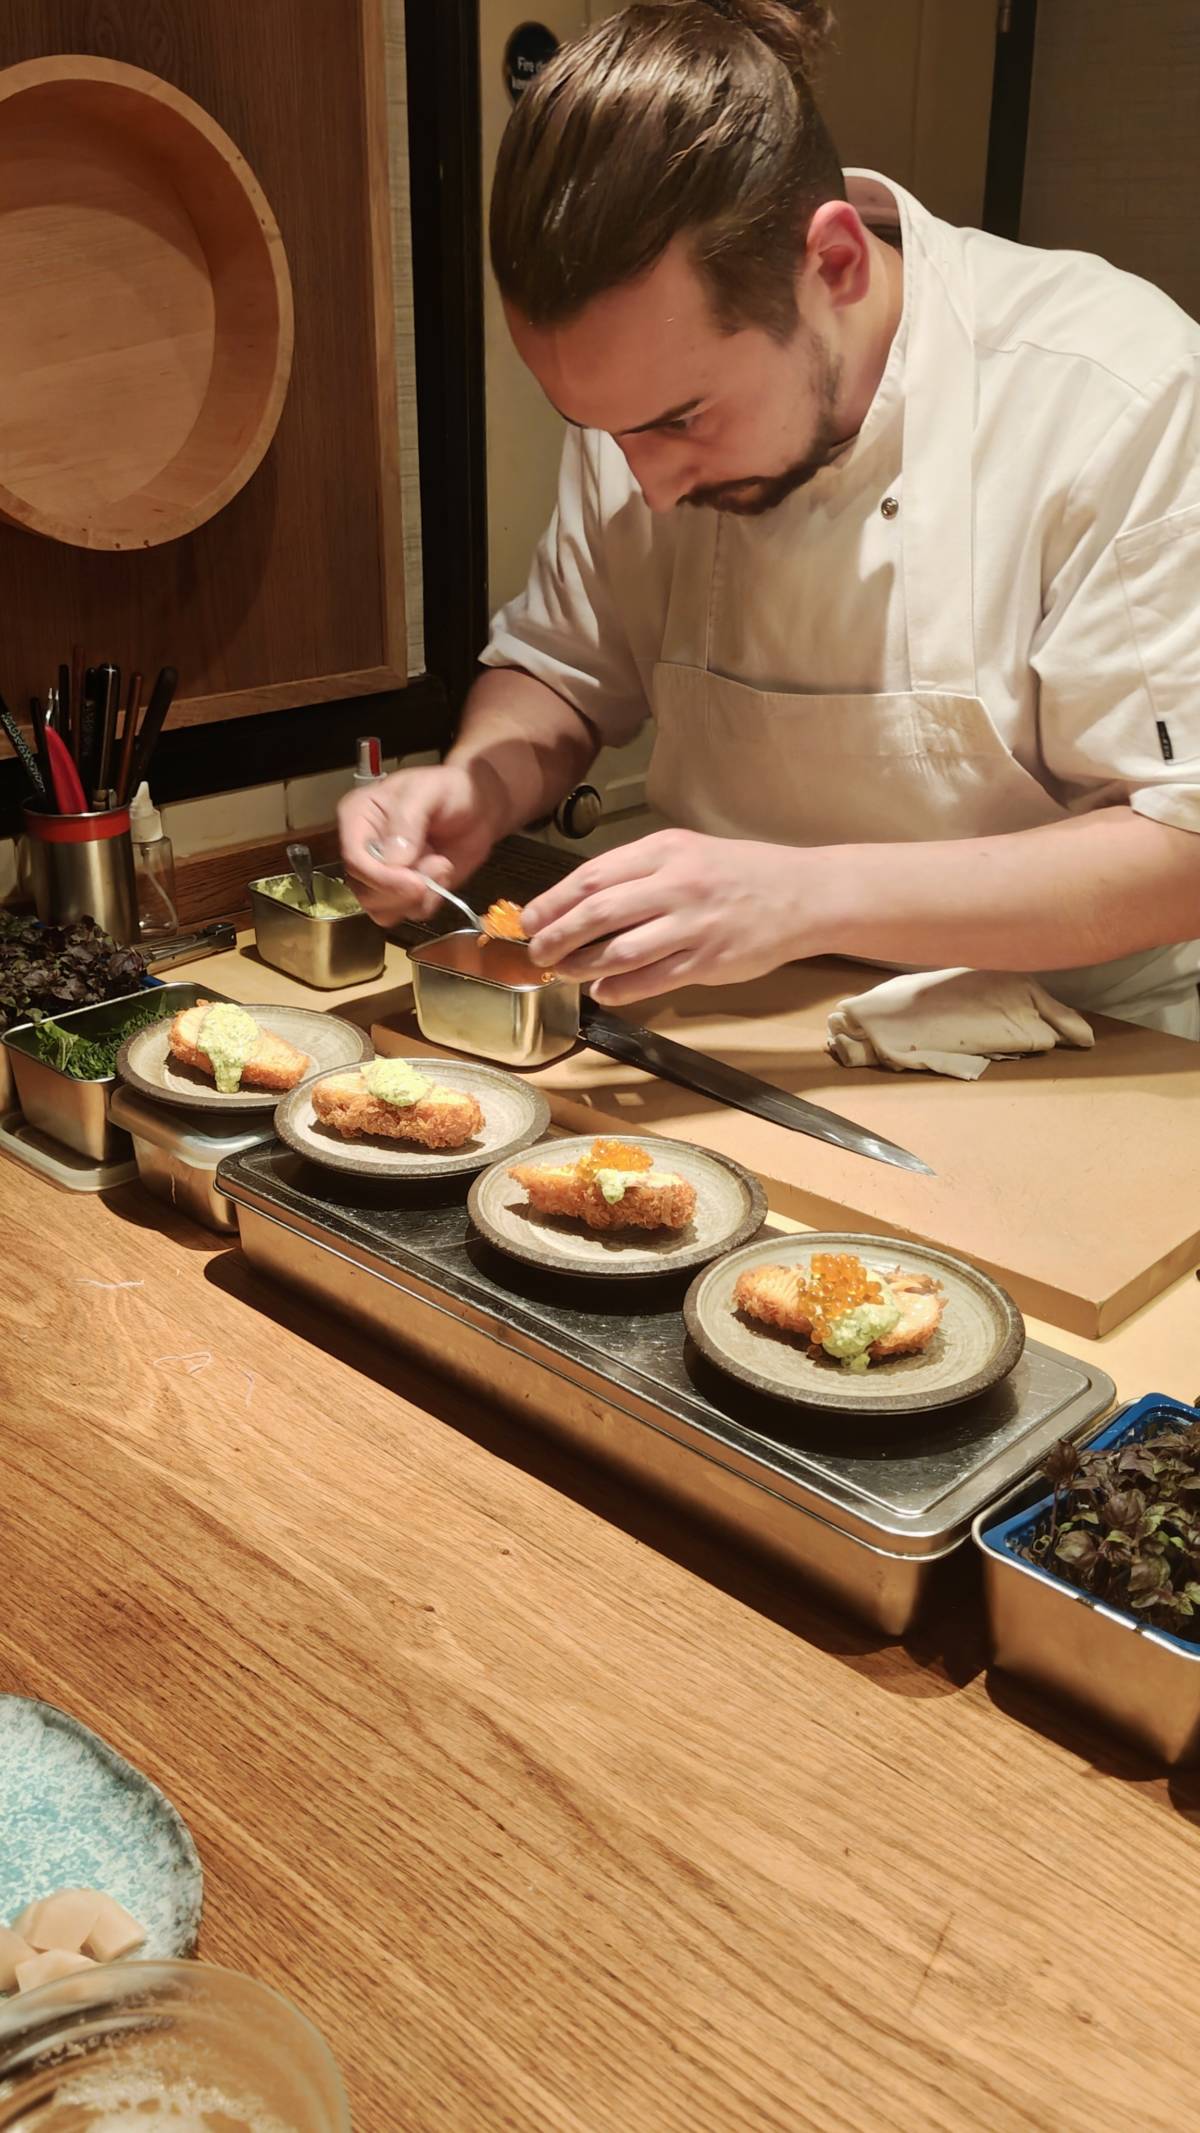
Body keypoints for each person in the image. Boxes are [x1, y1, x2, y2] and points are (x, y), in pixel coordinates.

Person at [340, 0, 1200, 1034]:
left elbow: (1179, 845)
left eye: (683, 420)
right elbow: (564, 671)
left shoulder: (1113, 393)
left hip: (1077, 1038)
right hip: (735, 1026)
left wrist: (799, 898)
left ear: (831, 263)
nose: (649, 486)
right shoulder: (640, 404)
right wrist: (476, 787)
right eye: (601, 431)